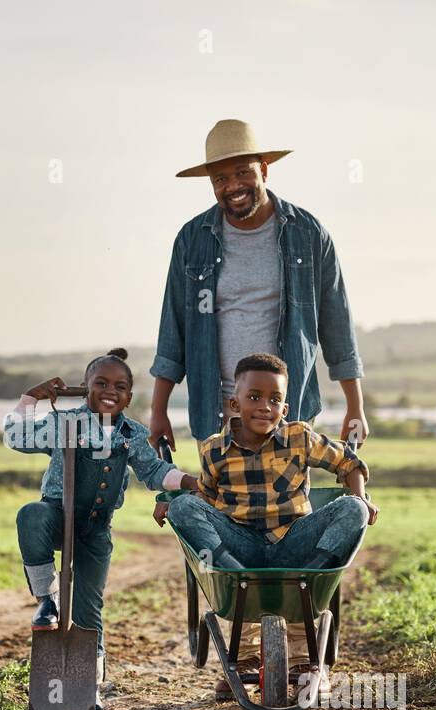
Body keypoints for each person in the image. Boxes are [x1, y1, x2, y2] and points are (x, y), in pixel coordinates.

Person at [159, 353, 378, 700]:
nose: (265, 406)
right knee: (183, 506)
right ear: (235, 402)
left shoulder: (299, 437)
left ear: (285, 408)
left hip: (293, 545)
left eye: (274, 399)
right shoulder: (214, 450)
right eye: (254, 397)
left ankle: (305, 637)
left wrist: (362, 497)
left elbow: (349, 463)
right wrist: (171, 501)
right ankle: (243, 650)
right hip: (238, 548)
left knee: (352, 508)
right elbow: (204, 497)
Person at [148, 118, 369, 459]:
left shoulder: (308, 234)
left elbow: (337, 325)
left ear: (264, 171)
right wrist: (158, 411)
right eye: (220, 178)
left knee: (290, 511)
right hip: (216, 413)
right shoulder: (192, 241)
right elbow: (173, 330)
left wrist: (355, 406)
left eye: (242, 172)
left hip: (287, 413)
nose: (233, 185)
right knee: (218, 512)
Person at [4, 348, 199, 710]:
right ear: (86, 387)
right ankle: (46, 600)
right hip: (56, 515)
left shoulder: (133, 433)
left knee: (88, 610)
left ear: (129, 396)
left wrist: (189, 481)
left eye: (120, 387)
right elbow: (16, 437)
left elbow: (155, 472)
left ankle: (88, 688)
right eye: (101, 384)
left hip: (95, 530)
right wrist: (31, 396)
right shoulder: (65, 423)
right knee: (29, 515)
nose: (111, 391)